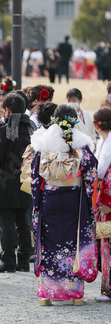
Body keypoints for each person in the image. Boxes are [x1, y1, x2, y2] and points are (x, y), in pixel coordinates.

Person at [30, 105, 97, 306]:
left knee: (49, 245)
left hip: (50, 200)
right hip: (74, 201)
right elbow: (91, 173)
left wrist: (37, 200)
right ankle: (75, 296)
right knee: (73, 243)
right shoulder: (82, 145)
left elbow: (34, 176)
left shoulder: (44, 142)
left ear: (55, 119)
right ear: (75, 119)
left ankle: (46, 295)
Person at [0, 92, 35, 273]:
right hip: (26, 179)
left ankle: (8, 260)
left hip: (5, 179)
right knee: (24, 221)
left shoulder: (4, 130)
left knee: (7, 221)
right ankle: (23, 261)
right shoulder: (32, 128)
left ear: (7, 110)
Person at [93, 107, 111, 301]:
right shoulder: (105, 142)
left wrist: (108, 202)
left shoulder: (108, 144)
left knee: (107, 246)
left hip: (109, 205)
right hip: (105, 201)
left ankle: (108, 289)